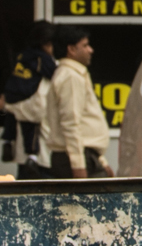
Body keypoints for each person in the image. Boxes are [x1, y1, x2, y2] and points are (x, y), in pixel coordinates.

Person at [41, 26, 111, 178]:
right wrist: (78, 166)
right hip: (74, 158)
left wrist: (102, 161)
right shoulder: (70, 76)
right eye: (85, 45)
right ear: (71, 49)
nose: (90, 50)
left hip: (84, 156)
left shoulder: (73, 74)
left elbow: (84, 124)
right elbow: (71, 122)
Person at [0, 21, 57, 165]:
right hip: (39, 160)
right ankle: (27, 153)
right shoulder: (43, 65)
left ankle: (8, 141)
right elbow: (36, 110)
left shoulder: (24, 58)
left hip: (42, 155)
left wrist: (7, 106)